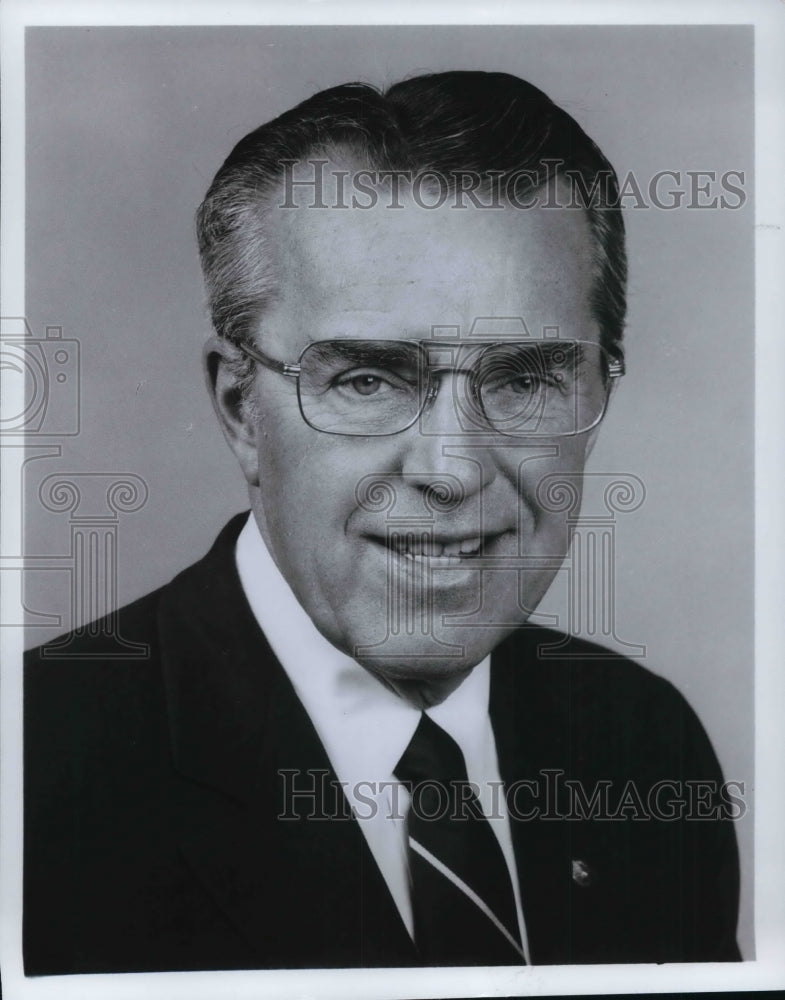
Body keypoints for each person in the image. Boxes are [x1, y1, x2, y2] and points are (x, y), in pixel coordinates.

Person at [24, 70, 740, 974]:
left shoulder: (642, 745)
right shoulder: (38, 771)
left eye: (524, 380)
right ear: (241, 407)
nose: (451, 468)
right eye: (367, 380)